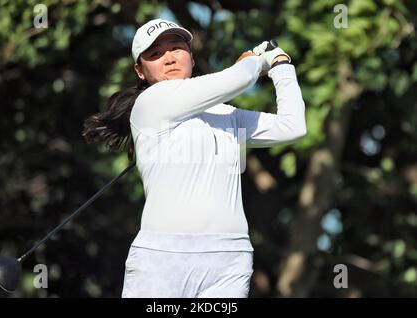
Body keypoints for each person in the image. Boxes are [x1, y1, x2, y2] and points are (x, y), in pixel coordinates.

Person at [82, 18, 306, 298]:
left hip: (229, 259)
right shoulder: (151, 103)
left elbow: (293, 126)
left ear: (191, 55)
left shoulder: (225, 114)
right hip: (163, 258)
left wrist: (282, 67)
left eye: (176, 48)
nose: (169, 59)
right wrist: (256, 60)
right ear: (140, 71)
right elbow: (239, 78)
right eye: (155, 54)